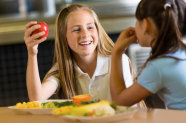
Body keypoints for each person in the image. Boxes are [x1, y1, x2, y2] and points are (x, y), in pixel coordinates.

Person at [24, 4, 133, 102]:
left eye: (90, 27)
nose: (85, 35)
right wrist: (32, 53)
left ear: (98, 30)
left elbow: (128, 106)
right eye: (76, 30)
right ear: (64, 36)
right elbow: (36, 97)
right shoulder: (63, 68)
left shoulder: (118, 61)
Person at [110, 0, 186, 110]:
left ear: (145, 24)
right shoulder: (180, 52)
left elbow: (119, 101)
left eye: (137, 20)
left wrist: (116, 52)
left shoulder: (159, 66)